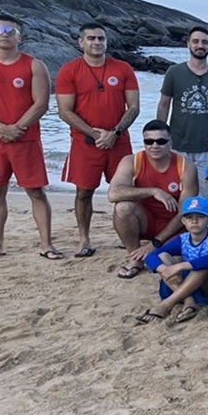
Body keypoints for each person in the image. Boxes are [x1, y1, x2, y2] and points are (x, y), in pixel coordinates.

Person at [0, 14, 60, 260]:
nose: (5, 34)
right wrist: (1, 127)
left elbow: (41, 104)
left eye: (11, 30)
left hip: (25, 139)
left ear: (20, 36)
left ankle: (47, 244)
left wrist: (17, 128)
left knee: (36, 192)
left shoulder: (34, 65)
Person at [55, 22, 140, 258]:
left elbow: (134, 107)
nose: (97, 42)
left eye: (101, 38)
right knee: (84, 192)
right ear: (80, 42)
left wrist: (114, 133)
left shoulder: (122, 68)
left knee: (126, 191)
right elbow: (65, 111)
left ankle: (128, 235)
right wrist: (95, 135)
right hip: (84, 143)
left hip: (119, 141)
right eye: (91, 38)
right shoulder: (69, 70)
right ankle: (84, 238)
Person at [108, 120, 200, 279]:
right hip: (146, 220)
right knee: (122, 207)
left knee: (172, 264)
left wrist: (155, 243)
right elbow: (113, 194)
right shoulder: (132, 161)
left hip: (174, 225)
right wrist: (153, 191)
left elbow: (184, 213)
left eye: (161, 141)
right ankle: (135, 258)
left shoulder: (185, 166)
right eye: (149, 141)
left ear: (170, 143)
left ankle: (155, 251)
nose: (154, 145)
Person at [156, 25, 208, 194]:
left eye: (205, 42)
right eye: (195, 41)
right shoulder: (174, 72)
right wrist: (160, 138)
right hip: (177, 146)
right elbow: (164, 105)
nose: (200, 45)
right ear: (188, 44)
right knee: (177, 194)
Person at [140, 196, 208, 325]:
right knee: (163, 255)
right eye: (190, 217)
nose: (194, 221)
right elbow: (151, 256)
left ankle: (167, 304)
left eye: (200, 217)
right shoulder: (183, 239)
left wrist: (180, 266)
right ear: (183, 221)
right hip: (185, 287)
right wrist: (165, 269)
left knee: (202, 265)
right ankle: (188, 300)